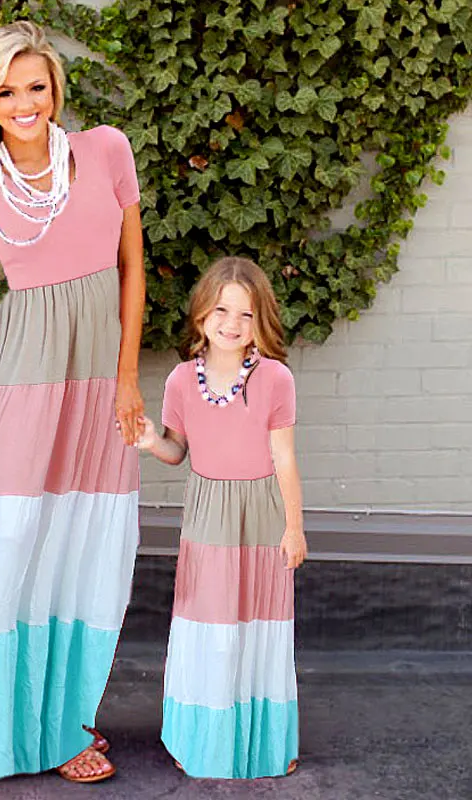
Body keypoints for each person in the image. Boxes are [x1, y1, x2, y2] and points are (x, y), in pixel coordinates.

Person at [0, 21, 146, 795]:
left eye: (36, 87)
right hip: (16, 382)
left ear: (55, 89)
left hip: (95, 384)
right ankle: (5, 724)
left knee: (82, 548)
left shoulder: (106, 151)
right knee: (10, 540)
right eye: (6, 92)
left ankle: (63, 720)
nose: (24, 104)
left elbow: (132, 270)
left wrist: (126, 378)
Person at [137, 256, 306, 779]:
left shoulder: (275, 379)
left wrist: (294, 527)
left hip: (262, 513)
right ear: (202, 314)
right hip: (208, 514)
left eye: (246, 314)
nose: (232, 323)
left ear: (261, 320)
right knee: (207, 625)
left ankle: (265, 740)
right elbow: (177, 451)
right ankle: (202, 738)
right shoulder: (181, 381)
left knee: (260, 625)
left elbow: (284, 458)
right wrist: (151, 440)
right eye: (221, 310)